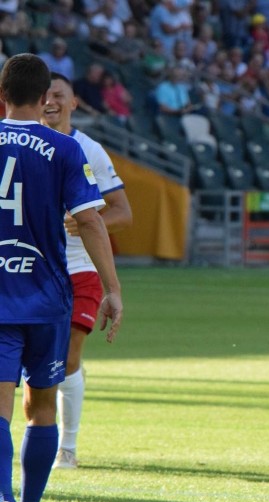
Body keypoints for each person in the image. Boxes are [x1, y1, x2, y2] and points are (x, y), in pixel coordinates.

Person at [0, 53, 122, 502]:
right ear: (44, 95)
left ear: (3, 93)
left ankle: (1, 498)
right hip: (48, 294)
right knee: (42, 407)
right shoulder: (65, 148)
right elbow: (92, 219)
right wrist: (112, 288)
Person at [41, 72, 133, 470]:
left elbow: (122, 213)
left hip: (80, 266)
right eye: (44, 95)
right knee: (38, 365)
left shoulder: (88, 149)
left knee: (67, 355)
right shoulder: (22, 145)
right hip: (33, 268)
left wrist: (87, 221)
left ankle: (68, 448)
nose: (50, 101)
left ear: (74, 102)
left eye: (59, 95)